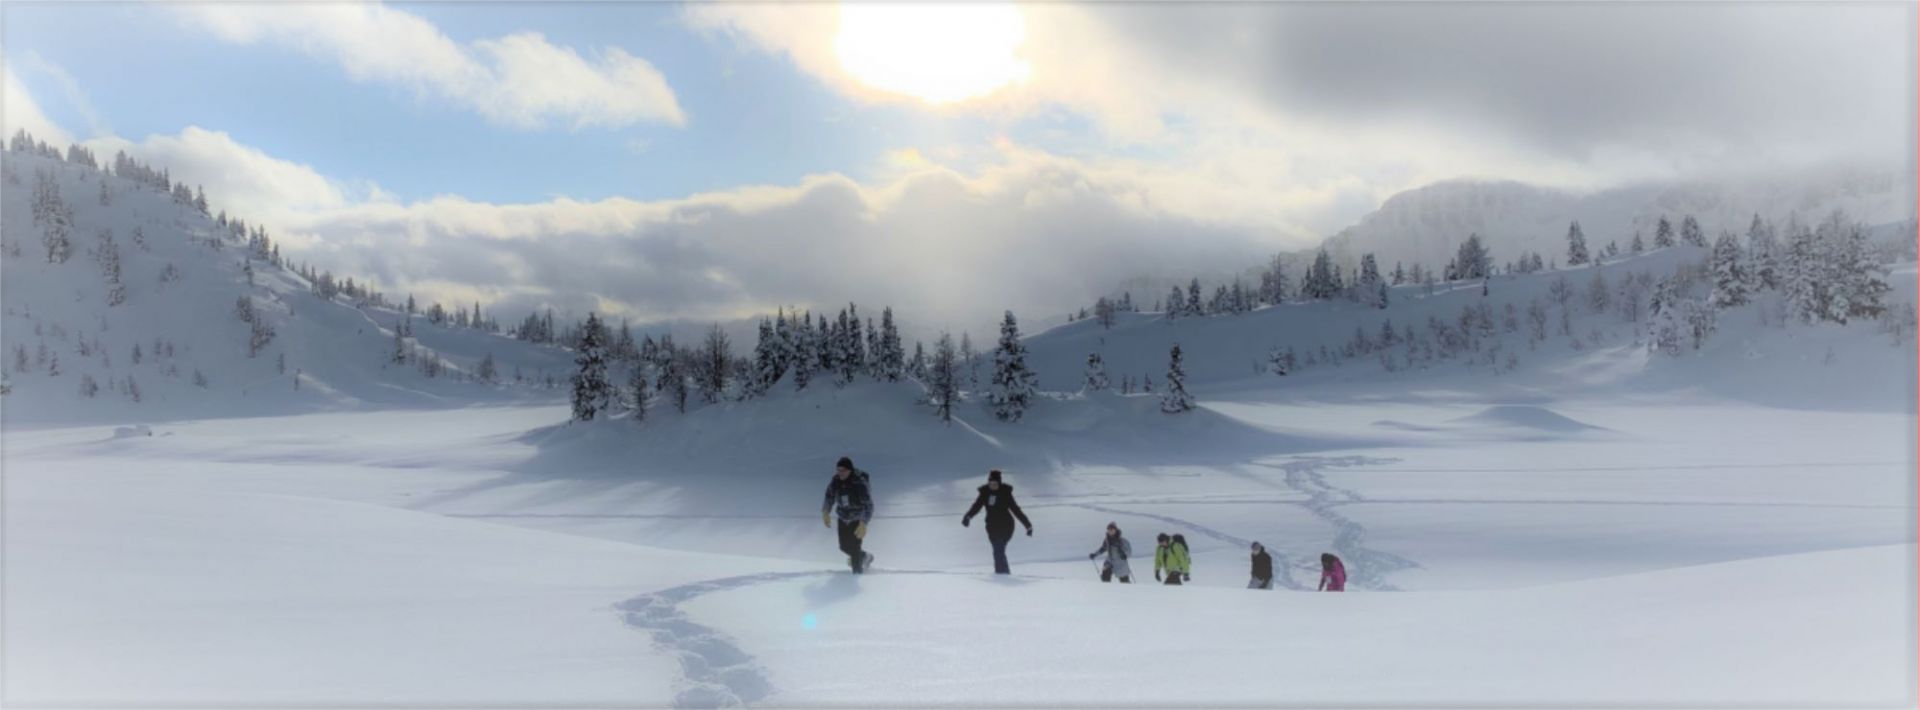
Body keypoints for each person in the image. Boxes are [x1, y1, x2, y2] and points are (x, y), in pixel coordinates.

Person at [962, 469, 1033, 574]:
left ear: (999, 483)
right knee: (998, 551)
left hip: (1006, 525)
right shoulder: (985, 493)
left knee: (998, 549)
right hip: (991, 526)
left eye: (995, 484)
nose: (993, 486)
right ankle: (1005, 574)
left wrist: (1028, 525)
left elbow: (1016, 510)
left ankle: (1001, 575)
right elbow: (976, 506)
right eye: (991, 483)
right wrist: (968, 517)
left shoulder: (1005, 493)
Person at [821, 456, 874, 573]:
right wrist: (826, 511)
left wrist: (863, 523)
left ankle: (857, 575)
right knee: (844, 546)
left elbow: (869, 505)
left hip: (857, 520)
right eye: (838, 470)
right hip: (843, 518)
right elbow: (829, 496)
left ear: (850, 470)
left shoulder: (860, 483)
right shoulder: (836, 481)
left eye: (843, 470)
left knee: (854, 550)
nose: (840, 473)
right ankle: (864, 557)